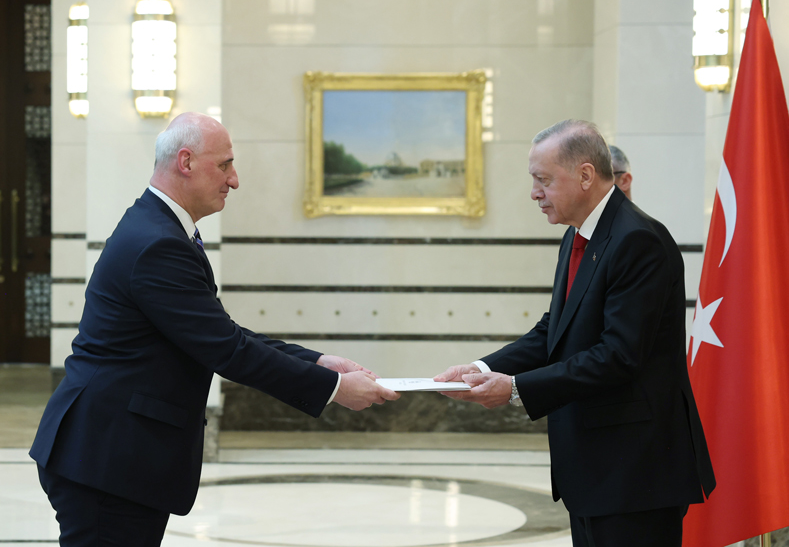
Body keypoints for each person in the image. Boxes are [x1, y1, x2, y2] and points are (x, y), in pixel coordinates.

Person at [30, 112, 400, 546]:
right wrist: (333, 387)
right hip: (105, 458)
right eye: (224, 165)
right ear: (185, 162)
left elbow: (220, 331)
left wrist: (319, 362)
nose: (234, 180)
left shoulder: (161, 229)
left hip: (111, 454)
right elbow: (228, 349)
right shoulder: (158, 243)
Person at [435, 120, 715, 547]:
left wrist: (515, 388)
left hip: (634, 474)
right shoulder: (578, 234)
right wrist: (481, 368)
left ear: (585, 175)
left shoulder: (638, 240)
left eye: (543, 180)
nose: (534, 193)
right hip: (593, 470)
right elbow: (556, 328)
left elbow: (618, 356)